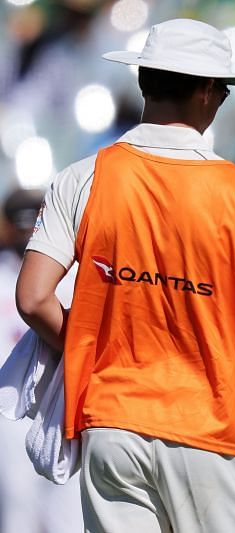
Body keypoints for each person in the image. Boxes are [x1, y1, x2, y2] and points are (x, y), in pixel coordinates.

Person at [15, 18, 235, 532]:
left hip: (111, 424)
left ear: (144, 81)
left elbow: (33, 298)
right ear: (208, 91)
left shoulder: (83, 175)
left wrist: (94, 353)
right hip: (210, 427)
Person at [0, 187, 83, 533]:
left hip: (63, 400)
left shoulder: (72, 273)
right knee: (18, 507)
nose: (24, 232)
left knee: (67, 514)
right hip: (8, 407)